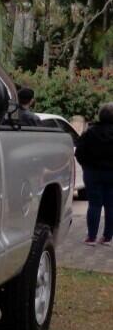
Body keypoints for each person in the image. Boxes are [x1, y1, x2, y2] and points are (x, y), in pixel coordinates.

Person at [75, 102, 113, 246]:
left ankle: (91, 237)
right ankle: (107, 237)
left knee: (94, 204)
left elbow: (79, 152)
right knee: (111, 205)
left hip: (93, 173)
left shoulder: (90, 132)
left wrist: (86, 166)